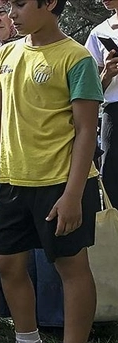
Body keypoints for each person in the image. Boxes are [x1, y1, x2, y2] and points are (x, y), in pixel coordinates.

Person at [0, 0, 103, 343]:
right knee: (7, 263)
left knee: (71, 267)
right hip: (14, 180)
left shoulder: (76, 57)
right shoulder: (6, 54)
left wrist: (73, 194)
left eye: (19, 3)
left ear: (49, 4)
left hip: (61, 183)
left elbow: (87, 131)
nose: (10, 13)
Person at [86, 0, 118, 207]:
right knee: (112, 175)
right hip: (113, 111)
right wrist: (107, 73)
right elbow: (88, 87)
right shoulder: (99, 33)